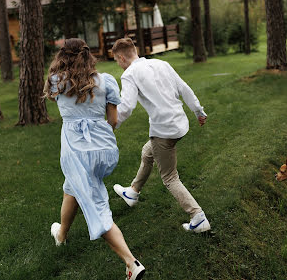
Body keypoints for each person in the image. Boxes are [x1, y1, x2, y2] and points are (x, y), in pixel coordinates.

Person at [44, 38, 145, 280]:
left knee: (96, 206)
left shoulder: (56, 81)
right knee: (73, 187)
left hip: (77, 152)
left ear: (62, 57)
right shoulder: (106, 81)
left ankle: (132, 263)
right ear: (89, 56)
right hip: (105, 148)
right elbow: (112, 120)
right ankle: (61, 235)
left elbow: (54, 99)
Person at [111, 38, 210, 233]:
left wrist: (111, 125)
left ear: (121, 57)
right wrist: (198, 111)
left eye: (116, 60)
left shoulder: (129, 74)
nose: (118, 64)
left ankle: (197, 217)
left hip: (164, 131)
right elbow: (184, 88)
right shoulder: (160, 63)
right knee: (148, 152)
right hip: (180, 124)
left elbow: (127, 106)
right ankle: (133, 192)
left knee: (170, 177)